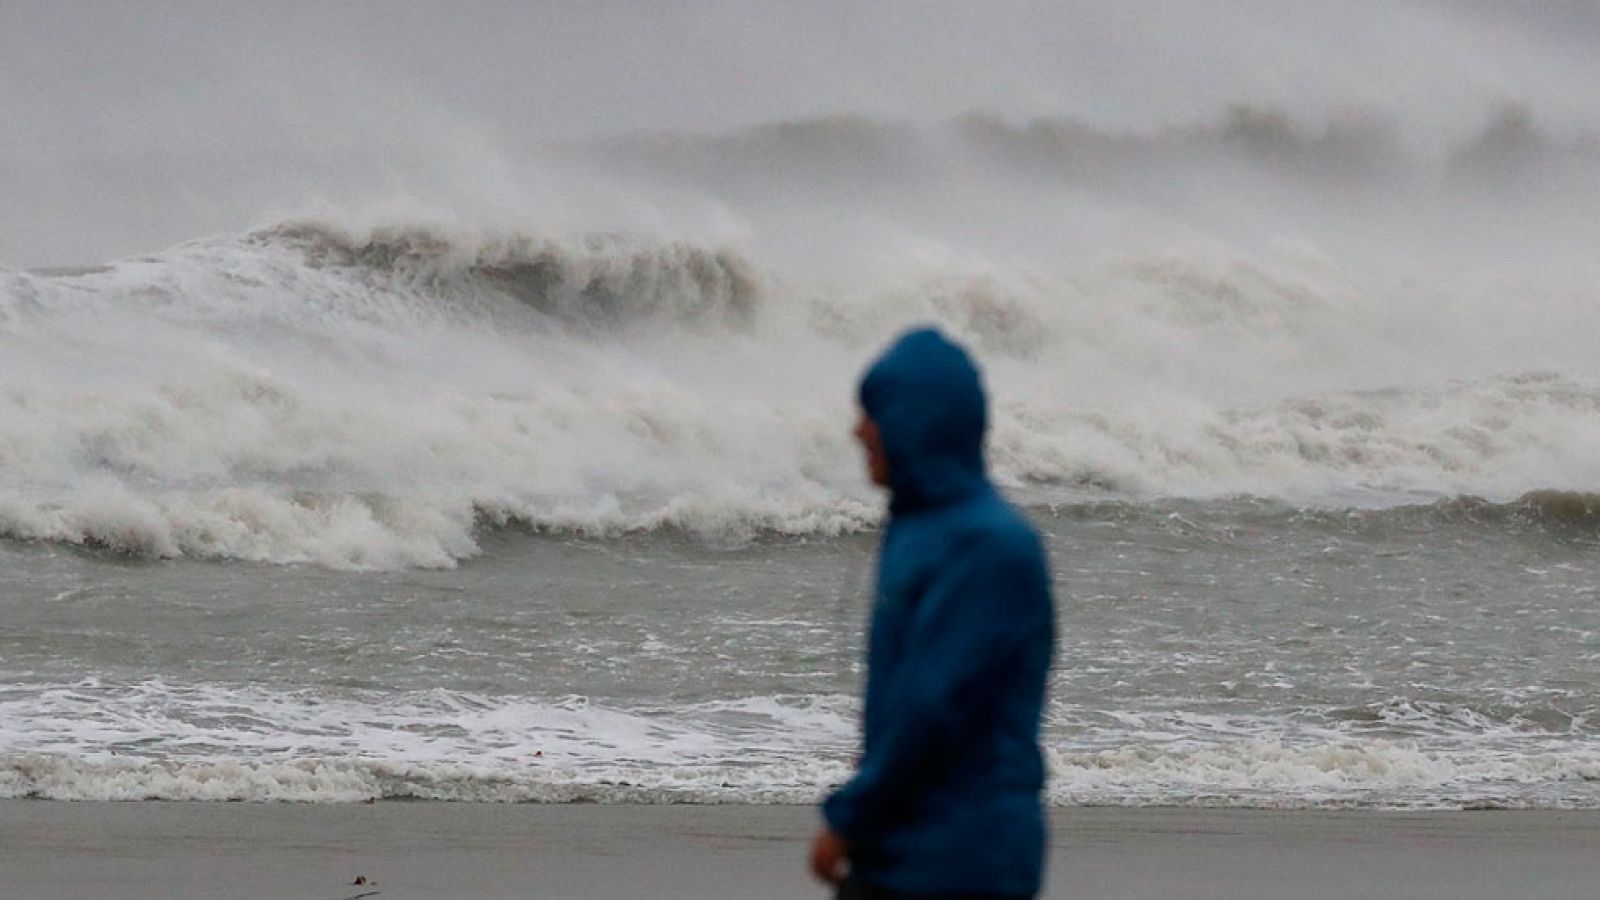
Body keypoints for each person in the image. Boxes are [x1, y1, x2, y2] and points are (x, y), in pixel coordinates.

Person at [811, 327, 1057, 899]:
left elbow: (934, 705)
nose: (859, 430)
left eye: (875, 414)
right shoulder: (919, 529)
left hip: (965, 858)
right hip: (903, 842)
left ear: (916, 422)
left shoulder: (988, 545)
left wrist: (850, 814)